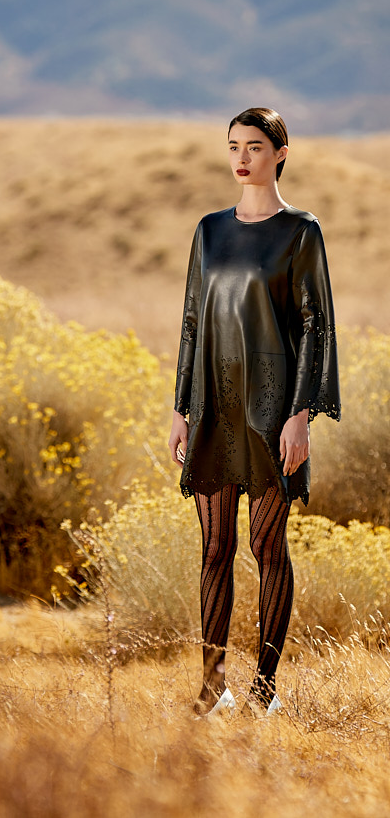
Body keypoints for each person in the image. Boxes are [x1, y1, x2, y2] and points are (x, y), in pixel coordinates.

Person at [168, 107, 339, 718]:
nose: (242, 158)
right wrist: (181, 408)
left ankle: (264, 691)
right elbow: (192, 322)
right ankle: (212, 688)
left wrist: (301, 415)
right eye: (234, 146)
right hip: (214, 405)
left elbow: (316, 325)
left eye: (255, 147)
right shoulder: (209, 230)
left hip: (272, 408)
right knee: (214, 547)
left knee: (268, 548)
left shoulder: (301, 231)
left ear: (280, 154)